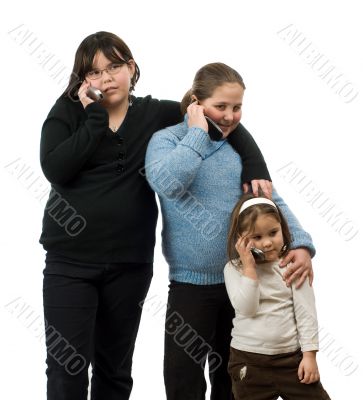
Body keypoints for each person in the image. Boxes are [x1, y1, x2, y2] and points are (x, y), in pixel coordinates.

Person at [39, 32, 272, 400]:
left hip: (129, 263)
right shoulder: (67, 112)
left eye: (115, 67)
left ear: (131, 68)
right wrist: (94, 118)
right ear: (83, 80)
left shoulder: (154, 114)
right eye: (94, 72)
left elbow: (218, 118)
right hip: (70, 261)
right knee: (67, 366)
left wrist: (255, 163)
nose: (106, 78)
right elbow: (56, 168)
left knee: (115, 368)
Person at [145, 62, 316, 400]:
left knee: (232, 377)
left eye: (237, 107)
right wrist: (196, 132)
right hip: (190, 284)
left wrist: (300, 243)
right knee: (183, 377)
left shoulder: (238, 149)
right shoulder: (166, 141)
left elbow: (269, 197)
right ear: (196, 102)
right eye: (220, 106)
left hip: (243, 280)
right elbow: (167, 182)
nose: (230, 116)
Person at [224, 194, 331, 399]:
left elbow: (306, 312)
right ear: (241, 239)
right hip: (248, 360)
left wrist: (309, 355)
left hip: (290, 360)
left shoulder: (292, 267)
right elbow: (247, 308)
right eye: (257, 237)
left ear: (283, 227)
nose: (267, 243)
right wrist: (249, 268)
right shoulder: (233, 269)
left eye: (273, 233)